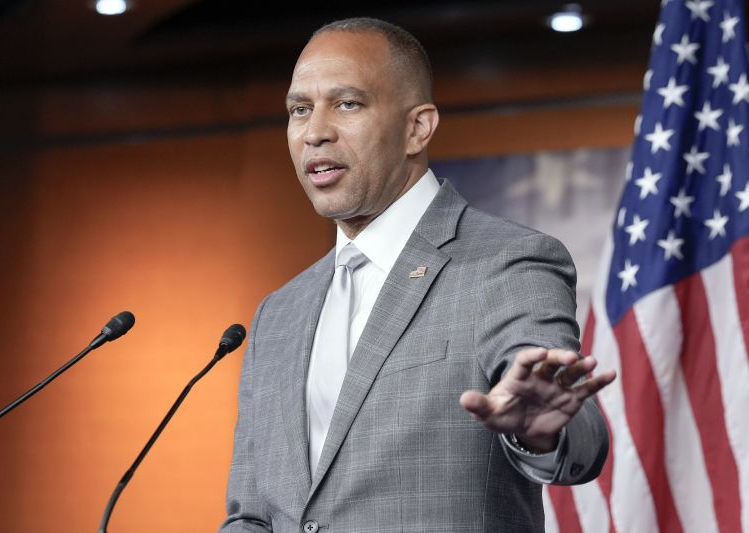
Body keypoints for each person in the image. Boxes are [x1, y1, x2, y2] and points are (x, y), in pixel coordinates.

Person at [222, 17, 616, 532]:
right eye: (300, 110)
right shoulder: (279, 312)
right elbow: (251, 513)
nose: (314, 131)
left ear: (417, 128)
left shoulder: (506, 263)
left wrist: (538, 432)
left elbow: (570, 421)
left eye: (347, 104)